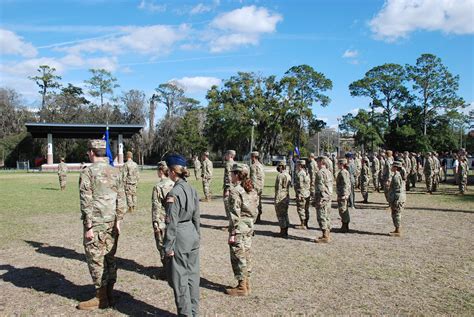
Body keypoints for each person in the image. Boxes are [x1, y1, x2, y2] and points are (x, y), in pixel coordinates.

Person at [77, 139, 126, 310]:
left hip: (96, 224)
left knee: (96, 259)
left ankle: (101, 297)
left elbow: (86, 200)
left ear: (91, 152)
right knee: (110, 257)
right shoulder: (115, 171)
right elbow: (122, 198)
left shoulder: (88, 172)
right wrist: (119, 221)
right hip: (112, 223)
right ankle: (109, 293)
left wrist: (89, 226)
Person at [163, 154, 200, 316]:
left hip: (180, 237)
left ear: (172, 172)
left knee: (180, 281)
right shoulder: (191, 189)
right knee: (193, 278)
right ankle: (193, 311)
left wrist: (168, 246)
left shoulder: (174, 192)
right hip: (192, 234)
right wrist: (197, 236)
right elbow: (196, 217)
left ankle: (186, 314)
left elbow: (171, 222)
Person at [226, 163, 258, 296]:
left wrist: (233, 232)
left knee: (238, 256)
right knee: (247, 255)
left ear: (237, 175)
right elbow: (255, 211)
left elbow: (234, 214)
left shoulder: (235, 191)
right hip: (249, 226)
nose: (230, 175)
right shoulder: (252, 190)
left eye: (232, 173)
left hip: (239, 227)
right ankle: (247, 283)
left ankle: (241, 286)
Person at [151, 161, 175, 275]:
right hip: (174, 219)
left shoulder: (158, 187)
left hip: (162, 219)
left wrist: (155, 222)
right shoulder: (175, 184)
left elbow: (156, 206)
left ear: (161, 171)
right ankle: (173, 268)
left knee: (161, 245)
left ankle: (167, 270)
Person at [314, 156, 333, 243]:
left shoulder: (320, 173)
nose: (316, 163)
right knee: (327, 216)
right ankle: (327, 234)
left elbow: (320, 187)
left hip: (322, 198)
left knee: (321, 216)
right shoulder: (328, 172)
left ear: (321, 162)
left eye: (317, 161)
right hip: (328, 197)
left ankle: (325, 236)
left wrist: (318, 199)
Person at [388, 161, 406, 237]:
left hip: (397, 198)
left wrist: (394, 200)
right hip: (397, 197)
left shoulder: (396, 177)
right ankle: (396, 229)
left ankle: (398, 230)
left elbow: (397, 189)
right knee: (395, 213)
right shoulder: (397, 175)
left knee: (396, 214)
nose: (391, 167)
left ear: (395, 167)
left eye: (392, 166)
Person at [274, 160, 291, 238]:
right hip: (286, 196)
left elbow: (279, 188)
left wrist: (277, 200)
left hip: (281, 196)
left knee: (280, 215)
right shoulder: (288, 175)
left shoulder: (280, 175)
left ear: (281, 166)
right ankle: (285, 230)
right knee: (285, 214)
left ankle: (282, 231)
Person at [294, 159, 311, 229]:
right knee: (306, 209)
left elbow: (300, 185)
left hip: (302, 194)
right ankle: (306, 223)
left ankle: (303, 224)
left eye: (297, 165)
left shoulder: (300, 173)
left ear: (300, 165)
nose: (296, 166)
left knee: (301, 209)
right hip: (307, 193)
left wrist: (299, 194)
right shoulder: (306, 172)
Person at [336, 158, 351, 233]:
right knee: (343, 209)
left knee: (343, 209)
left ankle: (345, 226)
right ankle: (344, 225)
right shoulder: (344, 172)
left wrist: (345, 194)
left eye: (338, 163)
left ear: (341, 164)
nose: (337, 165)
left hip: (342, 193)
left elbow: (346, 184)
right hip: (342, 193)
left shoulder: (343, 172)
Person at [250, 151, 265, 223]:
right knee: (259, 202)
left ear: (253, 157)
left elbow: (253, 179)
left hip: (255, 187)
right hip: (260, 186)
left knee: (254, 203)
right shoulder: (261, 165)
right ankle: (259, 217)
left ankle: (254, 219)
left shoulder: (253, 166)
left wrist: (252, 188)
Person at [223, 150, 236, 229]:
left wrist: (227, 189)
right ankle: (232, 224)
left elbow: (228, 176)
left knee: (228, 206)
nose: (225, 156)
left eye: (227, 154)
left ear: (230, 156)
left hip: (229, 188)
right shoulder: (235, 163)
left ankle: (231, 225)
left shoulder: (228, 164)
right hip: (234, 187)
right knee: (233, 205)